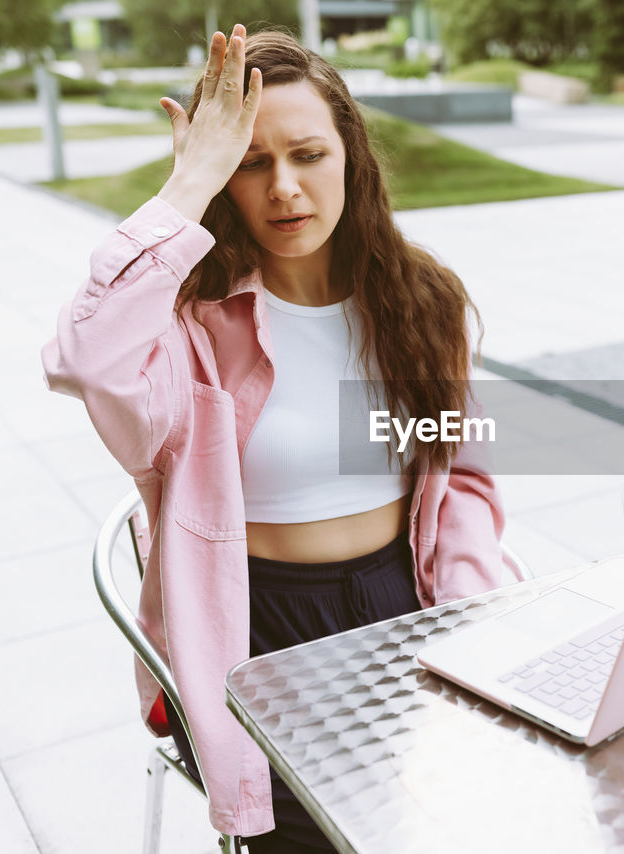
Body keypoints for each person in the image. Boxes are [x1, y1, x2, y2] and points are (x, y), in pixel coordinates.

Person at [42, 24, 508, 852]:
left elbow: (462, 477)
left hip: (403, 599)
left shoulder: (421, 299)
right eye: (251, 163)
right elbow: (86, 359)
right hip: (253, 626)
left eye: (307, 155)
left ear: (350, 158)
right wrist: (184, 188)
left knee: (452, 813)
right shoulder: (189, 324)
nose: (284, 188)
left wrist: (470, 618)